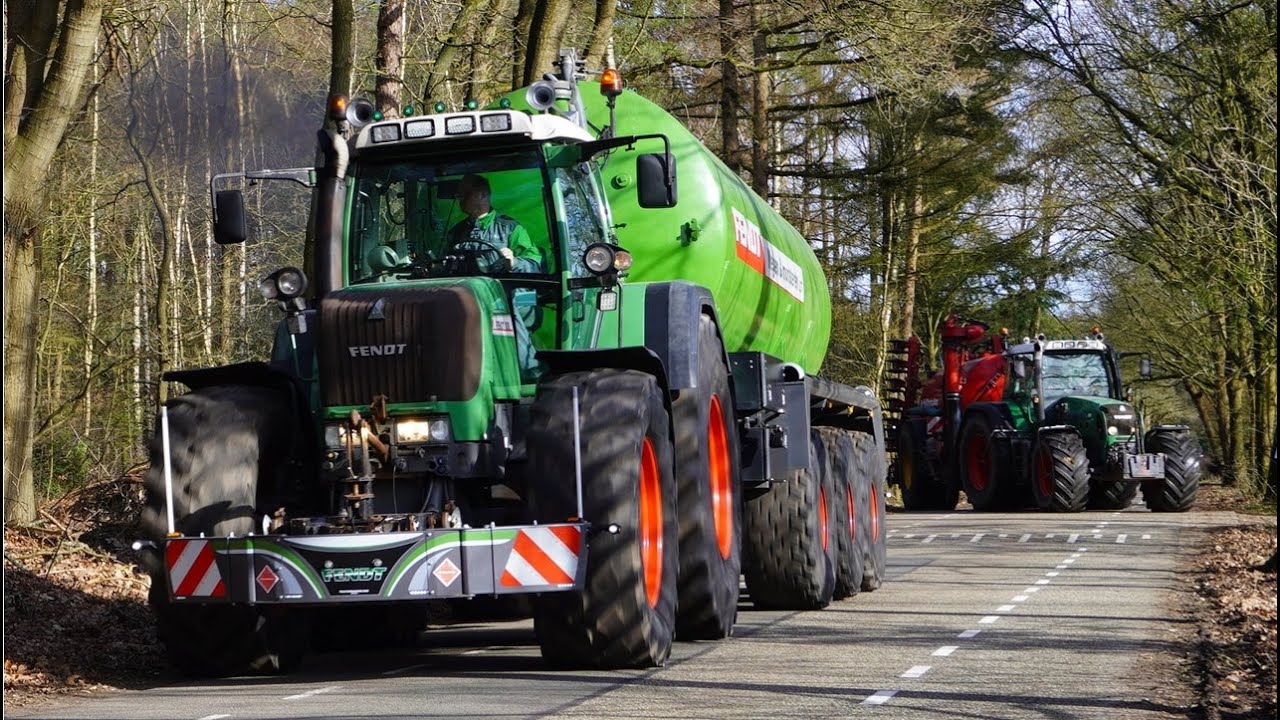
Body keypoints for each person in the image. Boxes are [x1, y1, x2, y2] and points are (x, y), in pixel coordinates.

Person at [447, 174, 543, 273]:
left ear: (483, 195)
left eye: (465, 194)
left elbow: (534, 265)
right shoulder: (456, 232)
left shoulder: (510, 228)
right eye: (458, 194)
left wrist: (514, 262)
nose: (459, 198)